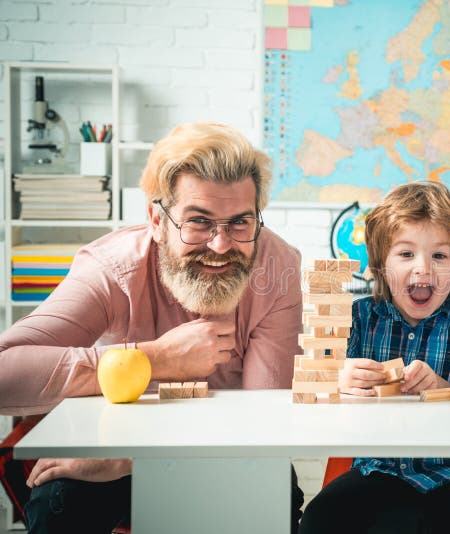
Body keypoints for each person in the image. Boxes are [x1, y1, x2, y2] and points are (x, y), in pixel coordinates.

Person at [0, 122, 305, 533]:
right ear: (157, 221)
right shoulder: (112, 268)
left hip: (219, 450)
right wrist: (153, 359)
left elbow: (261, 421)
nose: (220, 245)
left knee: (275, 493)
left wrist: (134, 457)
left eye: (239, 223)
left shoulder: (278, 267)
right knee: (59, 502)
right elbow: (6, 374)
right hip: (116, 447)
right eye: (199, 222)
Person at [299, 181, 450, 534]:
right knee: (321, 519)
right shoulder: (359, 320)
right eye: (406, 254)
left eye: (439, 256)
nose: (423, 269)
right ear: (381, 265)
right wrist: (339, 379)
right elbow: (316, 396)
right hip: (379, 469)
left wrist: (442, 389)